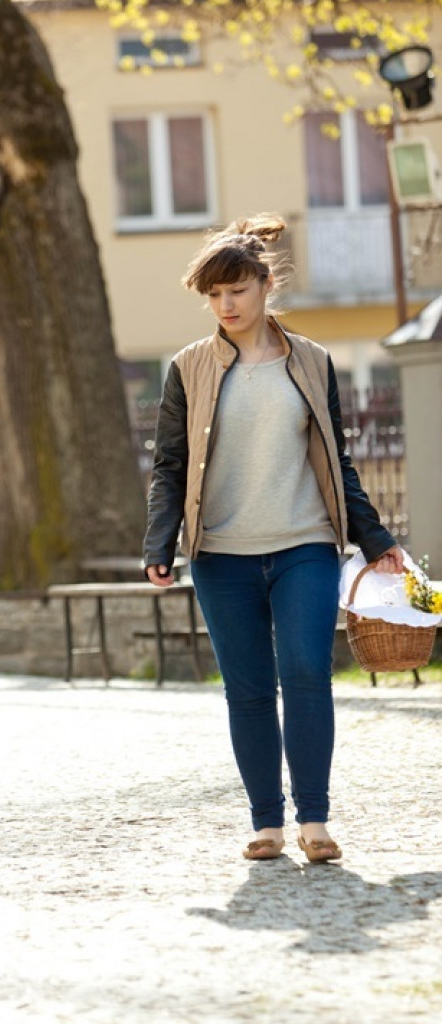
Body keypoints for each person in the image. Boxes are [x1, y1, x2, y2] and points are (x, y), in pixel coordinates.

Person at [143, 214, 403, 864]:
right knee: (250, 689)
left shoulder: (312, 362)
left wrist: (374, 539)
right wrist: (159, 544)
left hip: (305, 547)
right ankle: (267, 824)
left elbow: (336, 459)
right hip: (221, 557)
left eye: (236, 290)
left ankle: (314, 822)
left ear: (265, 285)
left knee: (308, 674)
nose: (226, 305)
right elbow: (170, 463)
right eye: (214, 295)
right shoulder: (189, 368)